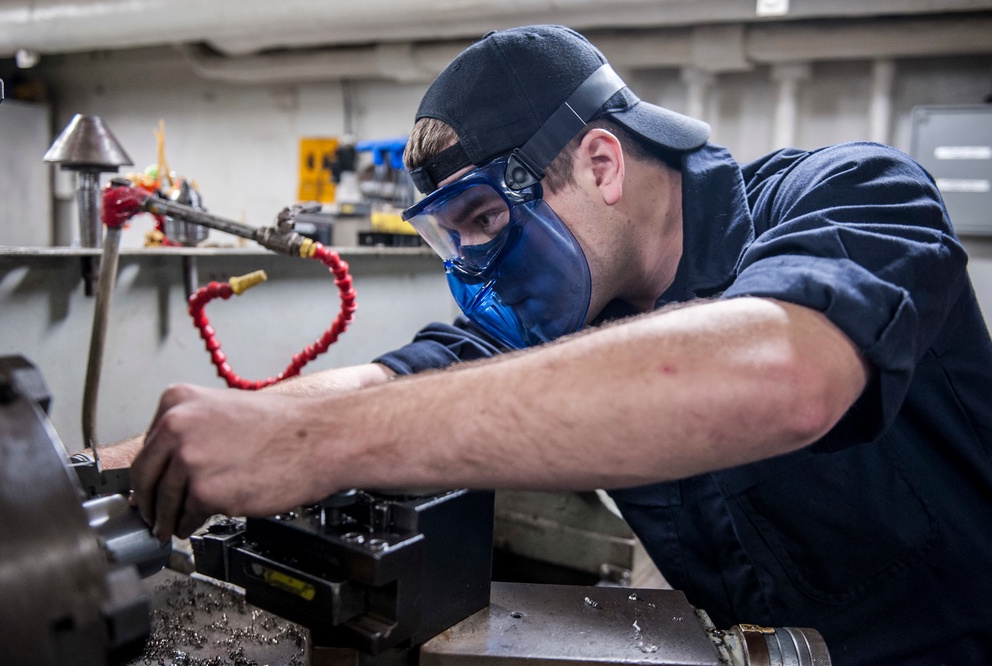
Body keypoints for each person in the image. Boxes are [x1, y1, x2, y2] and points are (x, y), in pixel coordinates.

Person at [127, 25, 992, 665]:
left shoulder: (850, 194)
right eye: (452, 240)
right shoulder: (577, 307)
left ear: (603, 164)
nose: (477, 269)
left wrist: (315, 445)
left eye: (488, 221)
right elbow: (397, 376)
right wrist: (140, 459)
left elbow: (782, 375)